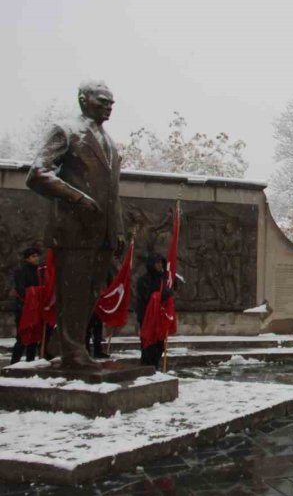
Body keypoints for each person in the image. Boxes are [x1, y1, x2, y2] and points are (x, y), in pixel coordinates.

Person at [25, 81, 125, 369]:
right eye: (102, 100)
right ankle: (72, 351)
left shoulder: (110, 143)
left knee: (92, 292)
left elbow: (112, 193)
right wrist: (77, 198)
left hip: (102, 233)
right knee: (75, 291)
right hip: (74, 229)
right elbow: (37, 174)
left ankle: (66, 342)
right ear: (83, 100)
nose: (109, 106)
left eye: (111, 102)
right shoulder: (66, 131)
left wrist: (117, 229)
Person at [134, 253, 173, 368]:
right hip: (147, 316)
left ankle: (155, 365)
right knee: (148, 343)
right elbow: (145, 297)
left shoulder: (164, 279)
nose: (160, 265)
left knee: (159, 344)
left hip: (159, 317)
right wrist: (159, 296)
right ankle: (147, 366)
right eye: (157, 263)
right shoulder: (144, 280)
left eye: (161, 263)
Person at [10, 247, 41, 364]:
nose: (36, 258)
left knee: (33, 338)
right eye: (33, 256)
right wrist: (36, 292)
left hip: (35, 308)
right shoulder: (21, 271)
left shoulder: (38, 271)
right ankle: (14, 363)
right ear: (27, 258)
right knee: (22, 337)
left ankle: (30, 362)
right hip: (24, 308)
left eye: (37, 256)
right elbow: (22, 290)